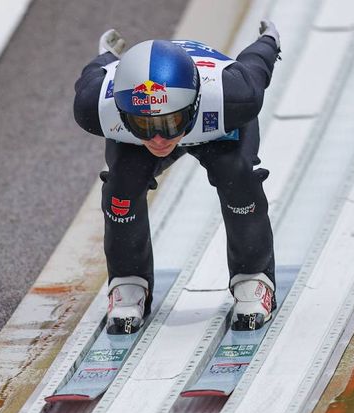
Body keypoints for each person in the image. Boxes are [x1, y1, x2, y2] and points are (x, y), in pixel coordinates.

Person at [73, 21, 281, 334]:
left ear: (196, 101)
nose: (159, 139)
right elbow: (99, 68)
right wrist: (109, 55)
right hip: (164, 129)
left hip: (216, 129)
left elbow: (256, 61)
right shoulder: (94, 103)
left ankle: (253, 276)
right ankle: (127, 279)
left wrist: (268, 38)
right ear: (120, 109)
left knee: (237, 175)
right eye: (145, 124)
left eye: (171, 121)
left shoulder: (234, 94)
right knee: (121, 188)